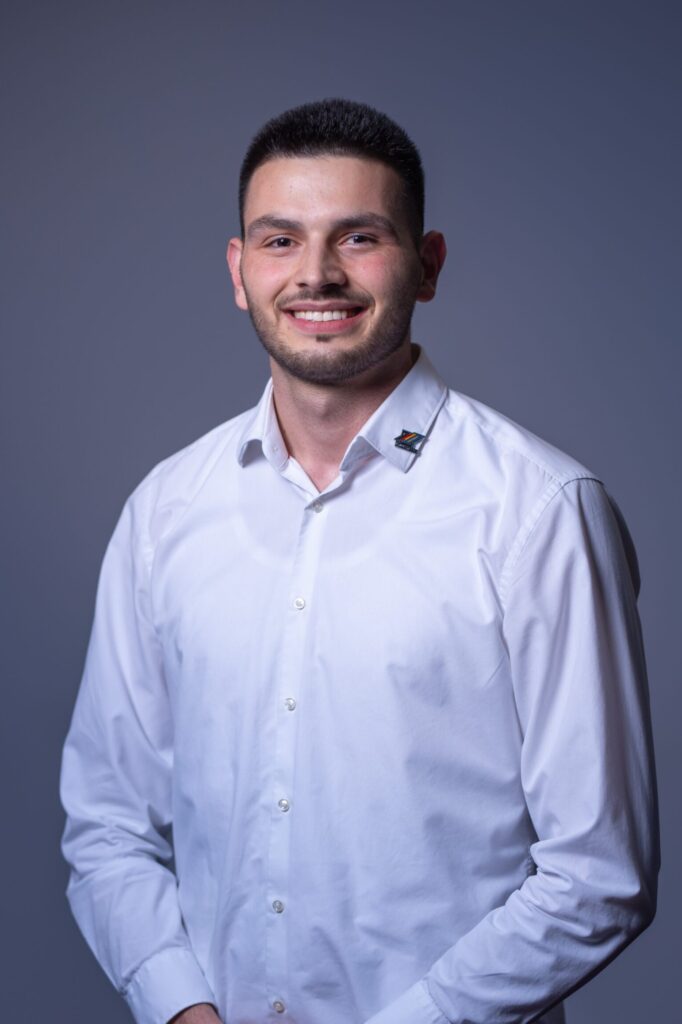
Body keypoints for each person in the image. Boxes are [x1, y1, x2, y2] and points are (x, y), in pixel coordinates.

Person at [60, 99, 659, 1024]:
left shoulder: (540, 511)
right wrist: (181, 1008)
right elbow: (107, 824)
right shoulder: (165, 512)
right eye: (280, 240)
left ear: (428, 264)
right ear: (239, 271)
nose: (316, 274)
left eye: (359, 237)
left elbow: (598, 874)